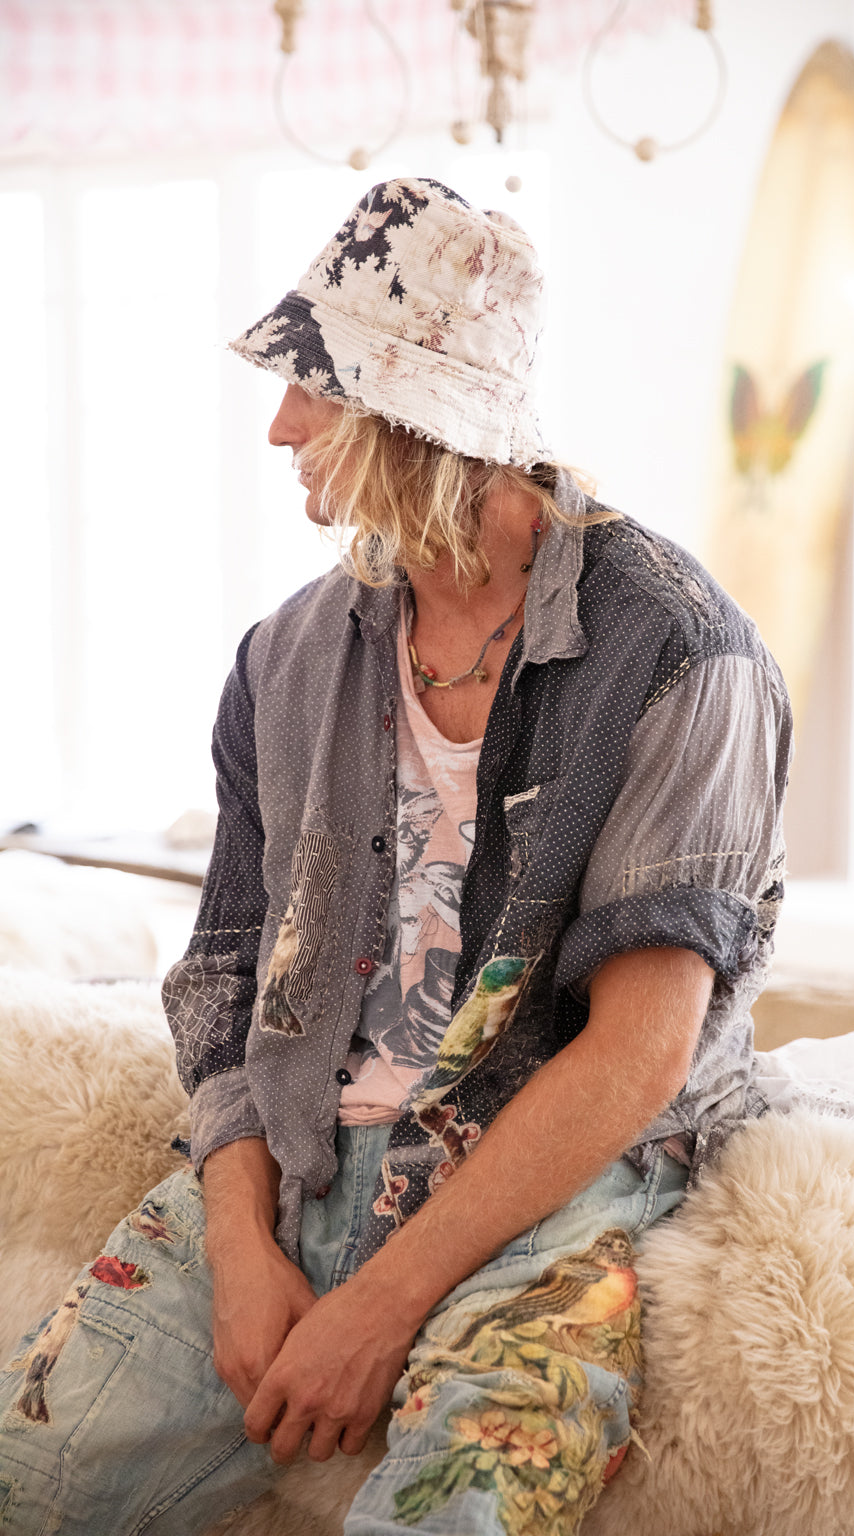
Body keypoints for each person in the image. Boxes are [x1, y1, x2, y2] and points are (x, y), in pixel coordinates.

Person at [0, 177, 792, 1535]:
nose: (281, 425)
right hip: (300, 1162)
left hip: (548, 1198)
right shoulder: (285, 657)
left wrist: (383, 1300)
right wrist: (242, 1245)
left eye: (316, 387)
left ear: (417, 416)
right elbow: (229, 979)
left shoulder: (679, 651)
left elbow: (638, 1053)